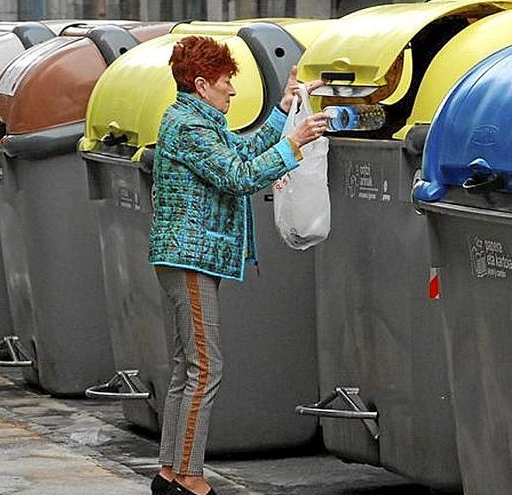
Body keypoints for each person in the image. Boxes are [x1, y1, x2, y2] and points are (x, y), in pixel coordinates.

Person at [148, 36, 327, 495]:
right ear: (202, 83)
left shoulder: (196, 120)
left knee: (186, 367)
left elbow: (239, 151)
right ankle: (190, 479)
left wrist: (285, 110)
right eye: (227, 82)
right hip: (188, 257)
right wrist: (295, 143)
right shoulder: (189, 126)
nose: (232, 91)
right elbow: (239, 176)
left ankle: (170, 474)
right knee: (205, 368)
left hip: (188, 257)